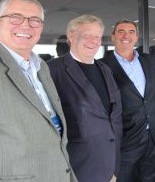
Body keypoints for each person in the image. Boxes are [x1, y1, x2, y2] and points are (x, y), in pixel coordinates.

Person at [0, 0, 77, 182]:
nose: (26, 25)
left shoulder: (41, 67)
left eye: (35, 20)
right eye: (15, 17)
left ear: (41, 29)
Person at [47, 15, 122, 182]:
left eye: (97, 37)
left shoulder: (105, 69)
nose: (93, 41)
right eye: (87, 35)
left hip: (109, 165)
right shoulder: (52, 70)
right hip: (75, 167)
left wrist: (115, 168)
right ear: (71, 37)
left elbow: (114, 116)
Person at [100, 20, 155, 182]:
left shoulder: (150, 60)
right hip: (125, 140)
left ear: (137, 37)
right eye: (121, 31)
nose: (126, 36)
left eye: (131, 32)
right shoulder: (102, 66)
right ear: (113, 37)